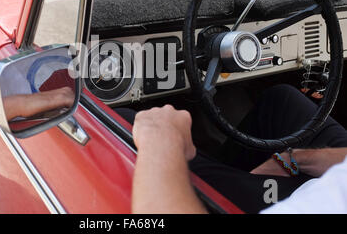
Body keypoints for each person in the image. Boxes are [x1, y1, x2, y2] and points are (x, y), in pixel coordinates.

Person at [130, 84, 347, 213]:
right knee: (281, 101)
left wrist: (161, 139)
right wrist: (295, 160)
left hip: (305, 200)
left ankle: (220, 189)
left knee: (126, 124)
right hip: (335, 181)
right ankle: (233, 176)